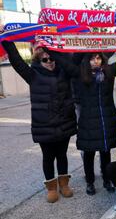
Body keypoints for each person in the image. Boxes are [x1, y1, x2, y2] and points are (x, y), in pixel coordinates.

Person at [1, 40, 77, 203]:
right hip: (44, 126)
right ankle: (51, 188)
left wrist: (56, 50)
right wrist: (7, 40)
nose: (49, 62)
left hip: (64, 123)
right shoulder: (32, 75)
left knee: (62, 155)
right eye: (45, 59)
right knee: (48, 157)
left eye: (52, 59)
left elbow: (75, 59)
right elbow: (16, 61)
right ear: (38, 60)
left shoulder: (65, 72)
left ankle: (64, 184)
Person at [74, 53, 116, 195]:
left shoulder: (108, 73)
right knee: (89, 153)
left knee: (105, 152)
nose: (96, 61)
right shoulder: (80, 74)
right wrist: (48, 47)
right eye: (92, 58)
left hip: (105, 118)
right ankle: (90, 182)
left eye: (98, 58)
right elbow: (66, 63)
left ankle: (107, 180)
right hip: (88, 120)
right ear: (87, 61)